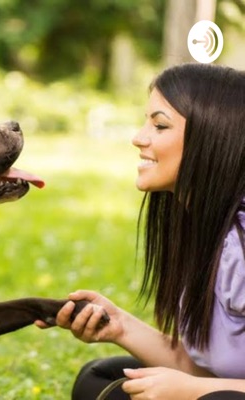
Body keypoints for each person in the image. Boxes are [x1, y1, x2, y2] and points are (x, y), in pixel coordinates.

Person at [36, 63, 245, 399]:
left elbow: (205, 384)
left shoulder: (241, 245)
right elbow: (203, 367)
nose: (138, 137)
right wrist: (120, 325)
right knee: (99, 379)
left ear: (212, 137)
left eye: (159, 125)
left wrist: (193, 391)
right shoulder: (201, 228)